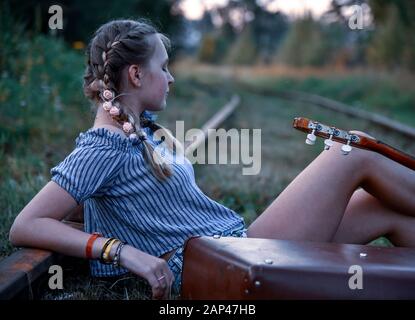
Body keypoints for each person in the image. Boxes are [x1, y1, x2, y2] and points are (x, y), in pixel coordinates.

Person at [9, 19, 415, 300]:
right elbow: (25, 225)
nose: (170, 78)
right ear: (135, 75)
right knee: (352, 151)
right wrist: (120, 251)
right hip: (230, 261)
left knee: (387, 211)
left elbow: (100, 203)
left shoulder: (136, 131)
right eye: (163, 68)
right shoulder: (103, 146)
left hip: (238, 248)